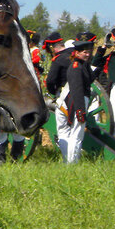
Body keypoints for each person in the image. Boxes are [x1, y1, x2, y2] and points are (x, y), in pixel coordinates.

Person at [44, 31, 74, 160]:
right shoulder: (72, 55)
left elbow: (50, 81)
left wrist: (51, 92)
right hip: (79, 94)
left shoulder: (58, 60)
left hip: (64, 95)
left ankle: (68, 158)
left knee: (62, 129)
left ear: (52, 47)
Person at [64, 40, 95, 163]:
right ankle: (72, 162)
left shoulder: (83, 65)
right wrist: (80, 110)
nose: (87, 54)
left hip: (82, 100)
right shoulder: (76, 67)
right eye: (84, 52)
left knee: (78, 134)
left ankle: (73, 160)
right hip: (79, 101)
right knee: (76, 134)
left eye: (88, 52)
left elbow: (91, 80)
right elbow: (77, 90)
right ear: (76, 53)